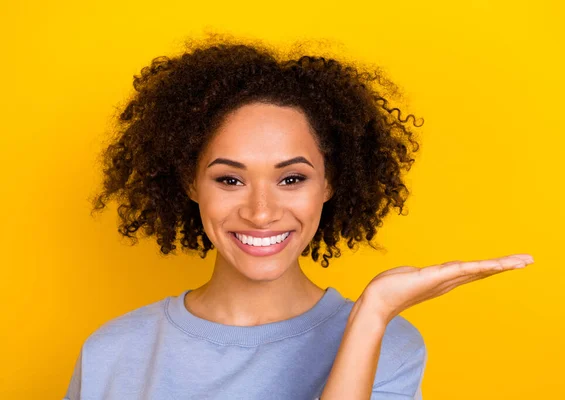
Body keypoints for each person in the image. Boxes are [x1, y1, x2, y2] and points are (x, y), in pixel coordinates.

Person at [64, 34, 534, 400]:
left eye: (292, 179)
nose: (261, 212)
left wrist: (372, 315)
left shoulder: (386, 342)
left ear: (330, 184)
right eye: (230, 180)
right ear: (190, 183)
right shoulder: (113, 352)